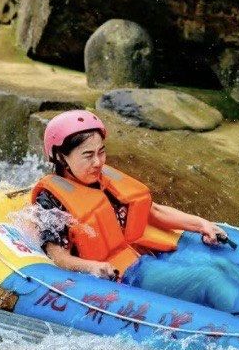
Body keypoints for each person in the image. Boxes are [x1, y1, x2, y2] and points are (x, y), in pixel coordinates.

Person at [31, 109, 226, 281]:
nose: (98, 162)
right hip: (124, 274)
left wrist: (201, 224)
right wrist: (92, 267)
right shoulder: (50, 200)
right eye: (88, 155)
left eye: (101, 152)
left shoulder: (104, 178)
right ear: (60, 157)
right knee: (209, 278)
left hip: (144, 254)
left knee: (220, 266)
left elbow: (153, 211)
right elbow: (58, 257)